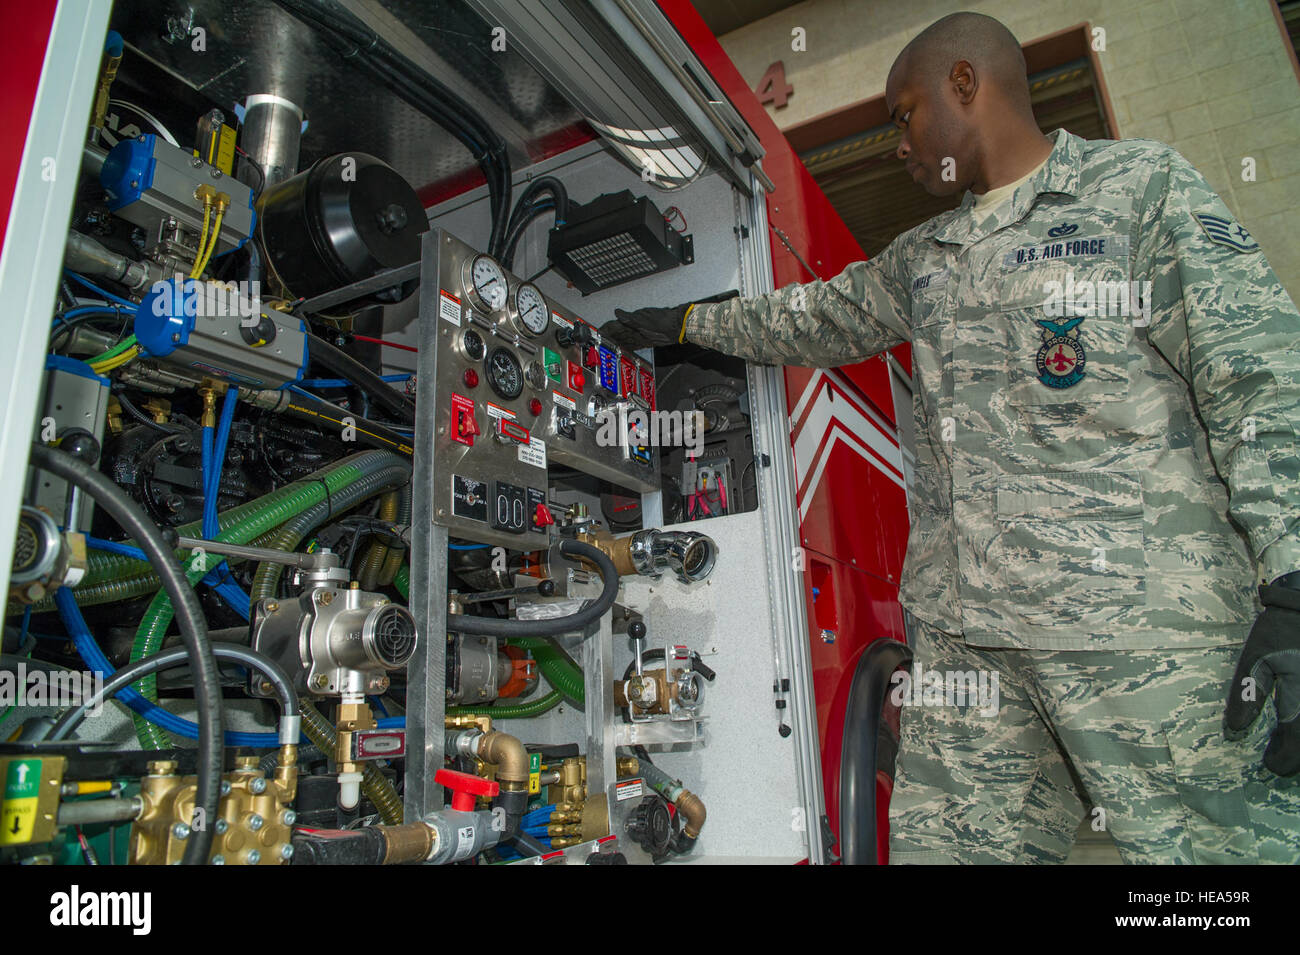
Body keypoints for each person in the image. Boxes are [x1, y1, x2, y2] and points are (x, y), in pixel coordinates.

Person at [603, 11, 1300, 863]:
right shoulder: (925, 256)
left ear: (964, 84)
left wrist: (1293, 575)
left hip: (1140, 633)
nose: (898, 142)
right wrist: (687, 320)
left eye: (904, 114)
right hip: (970, 654)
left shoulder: (1140, 190)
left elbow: (1257, 376)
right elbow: (812, 317)